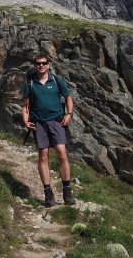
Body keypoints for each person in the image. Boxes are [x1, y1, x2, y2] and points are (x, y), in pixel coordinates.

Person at [22, 54, 76, 206]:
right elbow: (25, 105)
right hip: (39, 123)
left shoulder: (57, 81)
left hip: (56, 121)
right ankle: (48, 193)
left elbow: (68, 98)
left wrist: (69, 114)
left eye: (44, 63)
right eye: (38, 63)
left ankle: (67, 191)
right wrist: (26, 121)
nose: (41, 65)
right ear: (34, 65)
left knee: (62, 153)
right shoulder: (30, 84)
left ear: (49, 65)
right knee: (43, 156)